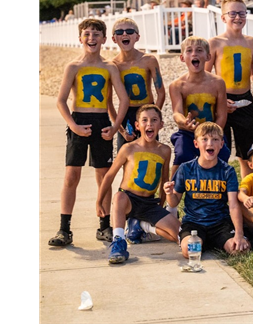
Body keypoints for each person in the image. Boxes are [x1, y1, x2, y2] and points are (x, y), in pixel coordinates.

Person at [49, 18, 130, 246]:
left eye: (96, 34)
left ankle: (104, 225)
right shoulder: (73, 66)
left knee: (102, 176)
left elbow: (123, 99)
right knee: (71, 176)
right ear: (80, 38)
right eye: (87, 34)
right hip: (79, 120)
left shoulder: (109, 67)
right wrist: (73, 126)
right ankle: (64, 229)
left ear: (104, 39)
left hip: (101, 121)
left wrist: (115, 127)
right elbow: (61, 101)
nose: (91, 38)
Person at [97, 105, 180, 264]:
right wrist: (99, 201)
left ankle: (144, 227)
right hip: (129, 200)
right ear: (137, 125)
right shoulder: (128, 148)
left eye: (154, 120)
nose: (149, 124)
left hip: (149, 203)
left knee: (179, 235)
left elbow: (164, 181)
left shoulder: (165, 151)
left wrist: (161, 207)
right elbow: (109, 176)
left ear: (161, 125)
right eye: (145, 120)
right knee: (119, 196)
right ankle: (119, 242)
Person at [163, 122, 251, 257]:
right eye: (204, 139)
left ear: (221, 144)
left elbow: (233, 205)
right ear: (196, 144)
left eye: (215, 139)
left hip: (220, 223)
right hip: (194, 223)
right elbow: (174, 202)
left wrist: (239, 234)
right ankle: (202, 241)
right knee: (190, 251)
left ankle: (218, 241)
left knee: (240, 250)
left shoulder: (227, 171)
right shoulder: (185, 169)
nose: (210, 143)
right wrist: (169, 193)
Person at [206, 0, 253, 178]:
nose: (238, 17)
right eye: (233, 13)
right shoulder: (215, 42)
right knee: (219, 148)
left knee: (247, 152)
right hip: (222, 99)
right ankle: (219, 188)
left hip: (245, 99)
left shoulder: (251, 42)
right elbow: (205, 76)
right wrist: (219, 101)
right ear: (223, 17)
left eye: (242, 13)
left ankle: (246, 187)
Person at [169, 36, 229, 183]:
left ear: (208, 56)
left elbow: (222, 114)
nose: (194, 54)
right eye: (189, 51)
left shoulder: (217, 83)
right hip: (187, 133)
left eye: (199, 50)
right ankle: (171, 195)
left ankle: (220, 191)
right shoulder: (177, 85)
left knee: (223, 154)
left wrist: (214, 134)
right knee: (182, 155)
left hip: (212, 131)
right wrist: (185, 122)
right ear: (182, 57)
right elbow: (176, 112)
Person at [108, 18, 166, 157]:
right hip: (126, 114)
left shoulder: (148, 60)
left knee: (151, 155)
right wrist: (120, 130)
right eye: (119, 32)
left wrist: (154, 118)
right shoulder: (112, 65)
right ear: (114, 38)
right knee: (127, 159)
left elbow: (161, 93)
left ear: (137, 37)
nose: (124, 34)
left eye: (129, 31)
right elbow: (108, 101)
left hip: (147, 110)